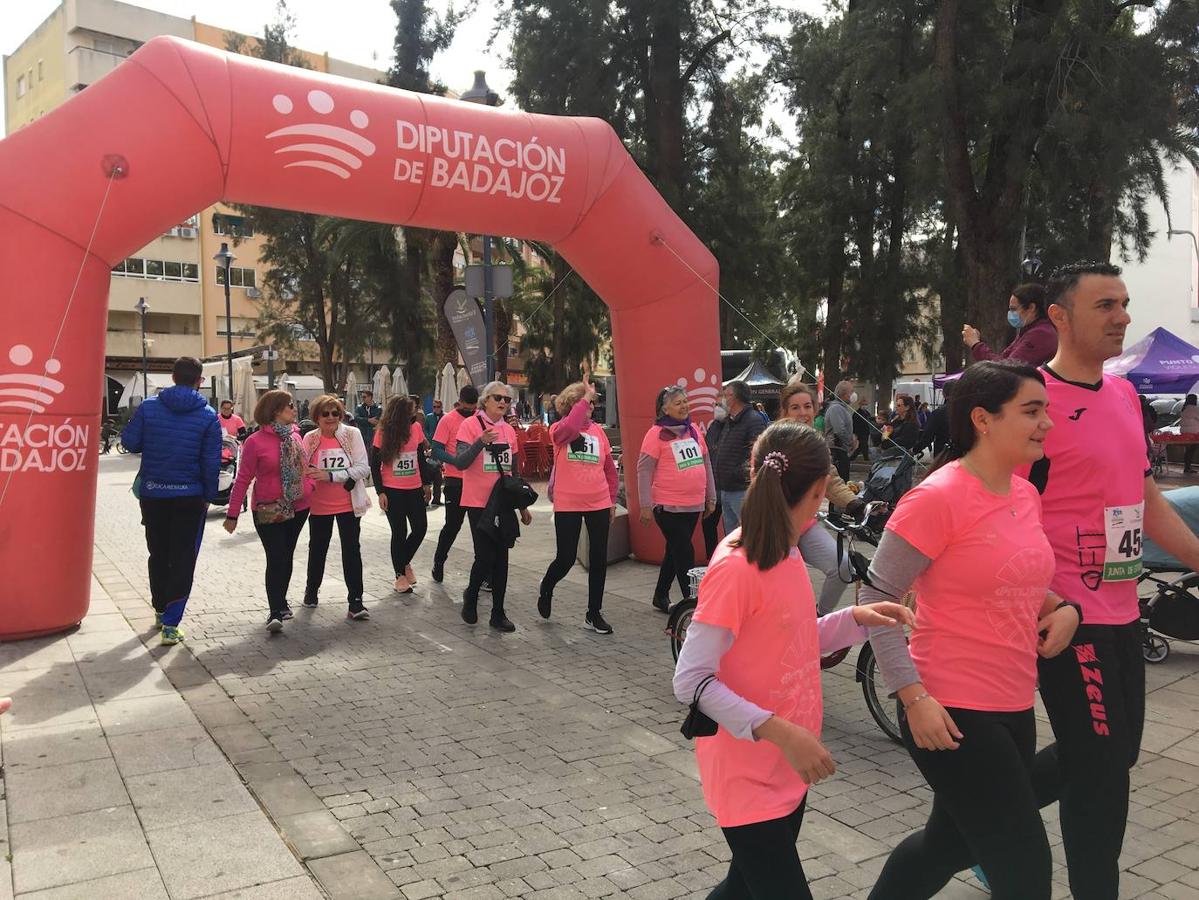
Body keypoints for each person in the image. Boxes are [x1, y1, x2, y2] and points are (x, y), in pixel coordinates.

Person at [861, 361, 1078, 899]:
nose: (1046, 423)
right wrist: (912, 699)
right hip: (949, 709)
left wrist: (1064, 608)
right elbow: (876, 598)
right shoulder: (937, 498)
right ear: (982, 419)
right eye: (1031, 411)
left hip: (1014, 703)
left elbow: (1020, 579)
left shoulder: (1023, 495)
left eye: (1045, 410)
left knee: (947, 846)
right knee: (1025, 866)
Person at [672, 421, 914, 900]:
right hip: (750, 773)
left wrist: (858, 618)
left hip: (787, 765)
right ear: (822, 490)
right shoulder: (737, 565)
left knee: (741, 888)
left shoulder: (782, 552)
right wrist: (781, 732)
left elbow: (793, 640)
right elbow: (691, 680)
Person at [1020, 262, 1199, 900]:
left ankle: (989, 817)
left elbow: (1146, 498)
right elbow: (998, 511)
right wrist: (1045, 598)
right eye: (1105, 305)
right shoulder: (1028, 399)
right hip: (1066, 613)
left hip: (1124, 607)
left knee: (1111, 755)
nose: (1122, 316)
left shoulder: (1125, 396)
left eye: (1123, 303)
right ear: (1059, 316)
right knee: (1100, 773)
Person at [121, 356, 222, 646]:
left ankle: (159, 608)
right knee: (182, 558)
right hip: (189, 497)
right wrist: (209, 495)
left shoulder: (150, 407)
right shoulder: (208, 415)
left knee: (159, 553)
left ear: (172, 376)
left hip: (154, 494)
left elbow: (130, 442)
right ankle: (171, 624)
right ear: (199, 381)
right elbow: (211, 462)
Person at [225, 390, 315, 632]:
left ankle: (282, 602)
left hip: (299, 506)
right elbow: (242, 479)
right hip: (269, 507)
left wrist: (312, 487)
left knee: (286, 556)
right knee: (276, 556)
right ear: (275, 411)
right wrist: (232, 514)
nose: (295, 410)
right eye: (290, 406)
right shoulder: (255, 442)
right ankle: (275, 610)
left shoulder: (296, 436)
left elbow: (305, 468)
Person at [445, 381, 532, 632]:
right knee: (485, 556)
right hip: (477, 501)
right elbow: (460, 462)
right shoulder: (470, 425)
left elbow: (513, 472)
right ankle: (471, 596)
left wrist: (521, 506)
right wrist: (480, 441)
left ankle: (498, 613)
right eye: (497, 398)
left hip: (502, 502)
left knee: (502, 559)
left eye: (507, 399)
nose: (503, 402)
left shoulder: (509, 431)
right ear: (485, 400)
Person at [537, 374, 619, 633]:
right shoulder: (559, 430)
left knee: (598, 559)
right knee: (566, 557)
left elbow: (609, 470)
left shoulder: (598, 433)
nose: (591, 407)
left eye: (592, 403)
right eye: (586, 403)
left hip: (598, 502)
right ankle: (547, 586)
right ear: (573, 406)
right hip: (568, 504)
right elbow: (571, 429)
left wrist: (612, 502)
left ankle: (593, 613)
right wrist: (583, 399)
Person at [780, 380, 865, 614]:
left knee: (844, 567)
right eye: (795, 408)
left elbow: (831, 479)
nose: (803, 413)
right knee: (786, 588)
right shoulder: (774, 441)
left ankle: (819, 619)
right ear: (785, 411)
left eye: (807, 406)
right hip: (777, 528)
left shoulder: (816, 443)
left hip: (805, 526)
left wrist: (854, 503)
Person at [638, 385, 717, 612]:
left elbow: (706, 462)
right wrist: (645, 505)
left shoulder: (692, 429)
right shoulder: (655, 434)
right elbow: (643, 471)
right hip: (668, 507)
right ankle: (692, 606)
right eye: (678, 402)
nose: (684, 406)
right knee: (685, 552)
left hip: (693, 505)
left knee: (674, 551)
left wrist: (710, 496)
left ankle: (661, 595)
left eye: (685, 401)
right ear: (664, 409)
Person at [299, 395, 371, 620]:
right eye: (325, 414)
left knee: (351, 549)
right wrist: (309, 474)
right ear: (316, 417)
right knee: (317, 549)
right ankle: (311, 591)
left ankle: (356, 601)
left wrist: (330, 475)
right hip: (318, 505)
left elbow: (362, 468)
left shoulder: (352, 434)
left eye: (335, 413)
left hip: (348, 504)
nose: (331, 418)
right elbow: (303, 469)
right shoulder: (309, 438)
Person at [371, 395, 432, 595]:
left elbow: (420, 458)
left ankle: (404, 562)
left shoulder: (416, 428)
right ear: (400, 412)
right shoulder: (383, 432)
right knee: (399, 532)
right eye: (411, 409)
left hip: (414, 487)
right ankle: (400, 575)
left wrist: (426, 483)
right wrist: (380, 491)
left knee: (420, 528)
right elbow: (374, 463)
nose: (415, 413)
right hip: (392, 489)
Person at [429, 385, 479, 582]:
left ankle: (483, 571)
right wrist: (455, 461)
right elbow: (436, 449)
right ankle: (439, 561)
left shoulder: (480, 418)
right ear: (459, 401)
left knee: (479, 529)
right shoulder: (448, 420)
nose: (470, 411)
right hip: (456, 482)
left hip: (477, 483)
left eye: (473, 408)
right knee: (452, 526)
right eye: (467, 407)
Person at [714, 380, 768, 534]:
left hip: (741, 490)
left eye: (726, 395)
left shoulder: (753, 420)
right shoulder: (729, 421)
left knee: (749, 533)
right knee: (731, 536)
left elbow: (759, 455)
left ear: (735, 397)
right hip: (726, 489)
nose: (723, 399)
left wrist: (736, 473)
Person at [963, 283, 1058, 367]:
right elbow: (1002, 360)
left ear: (1031, 308)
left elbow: (1007, 368)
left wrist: (975, 344)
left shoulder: (1040, 334)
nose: (1010, 313)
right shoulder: (1028, 331)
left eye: (1014, 309)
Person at [702, 403, 727, 559]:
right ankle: (712, 558)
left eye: (720, 405)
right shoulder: (714, 427)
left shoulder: (737, 425)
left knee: (732, 526)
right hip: (714, 486)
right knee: (708, 524)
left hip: (731, 486)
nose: (717, 408)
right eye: (716, 405)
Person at [825, 381, 856, 480]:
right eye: (852, 391)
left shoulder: (843, 408)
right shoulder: (836, 408)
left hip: (842, 450)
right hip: (837, 450)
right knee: (841, 480)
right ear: (844, 394)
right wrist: (851, 441)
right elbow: (839, 430)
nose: (854, 394)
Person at [914, 383, 954, 458]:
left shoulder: (938, 413)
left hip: (943, 455)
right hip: (966, 458)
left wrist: (915, 449)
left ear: (944, 394)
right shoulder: (968, 411)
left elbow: (928, 436)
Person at [424, 399, 446, 506]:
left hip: (442, 447)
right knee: (431, 470)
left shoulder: (446, 417)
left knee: (438, 472)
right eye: (434, 407)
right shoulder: (429, 417)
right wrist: (429, 440)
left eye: (438, 407)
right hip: (431, 446)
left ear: (441, 407)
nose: (436, 409)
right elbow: (426, 430)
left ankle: (437, 498)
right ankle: (428, 498)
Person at [1181, 393, 1199, 473]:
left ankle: (1187, 467)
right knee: (1192, 450)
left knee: (1188, 450)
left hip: (1184, 433)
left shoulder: (1184, 409)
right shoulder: (1195, 409)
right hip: (1194, 433)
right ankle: (1188, 467)